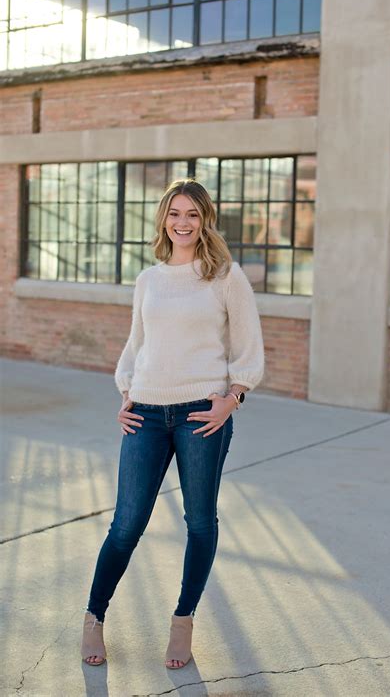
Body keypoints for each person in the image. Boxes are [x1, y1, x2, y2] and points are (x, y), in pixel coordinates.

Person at [81, 178, 265, 669]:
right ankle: (93, 618)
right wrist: (126, 393)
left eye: (192, 214)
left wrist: (233, 399)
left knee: (200, 522)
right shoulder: (149, 280)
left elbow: (249, 349)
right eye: (174, 213)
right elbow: (137, 347)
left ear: (205, 220)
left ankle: (182, 623)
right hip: (145, 413)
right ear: (164, 218)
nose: (182, 223)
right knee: (126, 524)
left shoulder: (225, 276)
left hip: (200, 416)